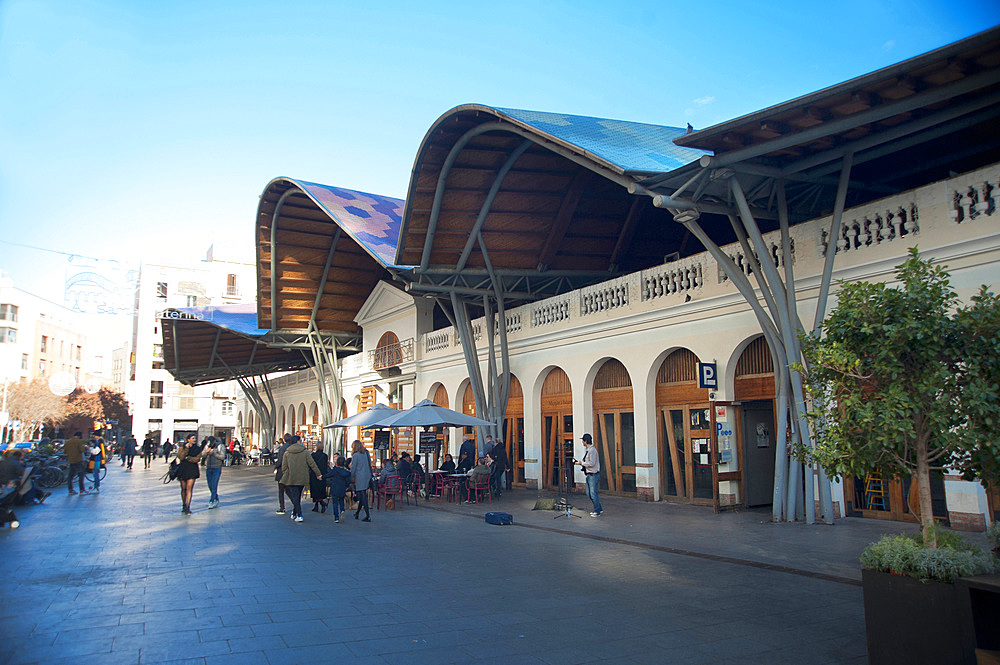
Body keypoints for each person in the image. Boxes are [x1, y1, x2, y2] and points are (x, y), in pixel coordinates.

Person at [280, 437, 322, 522]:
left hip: (291, 477)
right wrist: (318, 474)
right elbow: (312, 464)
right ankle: (295, 512)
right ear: (298, 442)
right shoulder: (305, 452)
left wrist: (286, 473)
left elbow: (284, 466)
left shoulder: (287, 452)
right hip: (302, 476)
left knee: (295, 495)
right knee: (298, 495)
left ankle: (299, 514)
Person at [174, 433, 204, 515]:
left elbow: (197, 459)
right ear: (188, 439)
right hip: (183, 469)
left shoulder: (197, 448)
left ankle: (188, 506)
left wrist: (189, 458)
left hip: (192, 469)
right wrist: (186, 449)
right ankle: (184, 504)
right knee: (183, 488)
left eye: (195, 438)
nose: (194, 439)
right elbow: (181, 457)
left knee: (189, 488)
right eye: (192, 438)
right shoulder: (182, 448)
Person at [575, 433, 603, 517]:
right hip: (589, 474)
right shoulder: (588, 450)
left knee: (593, 493)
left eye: (583, 440)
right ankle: (599, 508)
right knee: (589, 493)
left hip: (593, 475)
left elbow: (592, 463)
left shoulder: (592, 451)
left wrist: (581, 463)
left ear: (586, 441)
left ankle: (596, 511)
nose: (582, 442)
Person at [324, 455, 352, 523]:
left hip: (335, 488)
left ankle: (336, 517)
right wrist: (346, 486)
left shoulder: (335, 470)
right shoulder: (347, 472)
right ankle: (342, 510)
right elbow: (348, 481)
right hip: (342, 488)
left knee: (335, 503)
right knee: (341, 500)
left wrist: (322, 477)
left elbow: (328, 475)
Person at [350, 440, 372, 522]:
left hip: (360, 477)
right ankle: (358, 513)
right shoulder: (366, 453)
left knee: (363, 496)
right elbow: (369, 464)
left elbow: (353, 468)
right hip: (367, 475)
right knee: (362, 494)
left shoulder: (355, 455)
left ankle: (368, 515)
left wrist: (350, 477)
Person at [273, 434, 295, 515]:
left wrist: (276, 466)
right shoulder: (293, 448)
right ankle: (295, 503)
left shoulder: (282, 448)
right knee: (289, 489)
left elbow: (280, 460)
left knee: (281, 490)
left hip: (282, 471)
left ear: (284, 440)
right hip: (291, 470)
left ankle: (282, 507)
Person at [203, 436, 226, 509]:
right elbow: (202, 455)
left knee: (214, 484)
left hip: (217, 468)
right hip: (208, 467)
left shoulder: (220, 446)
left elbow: (222, 456)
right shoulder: (207, 446)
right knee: (210, 485)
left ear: (214, 442)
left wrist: (214, 453)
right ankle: (216, 498)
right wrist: (206, 452)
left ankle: (211, 501)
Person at [309, 441, 330, 513]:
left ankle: (319, 504)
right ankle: (319, 504)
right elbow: (325, 466)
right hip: (322, 475)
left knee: (315, 490)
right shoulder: (325, 456)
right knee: (320, 491)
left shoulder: (313, 455)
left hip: (314, 475)